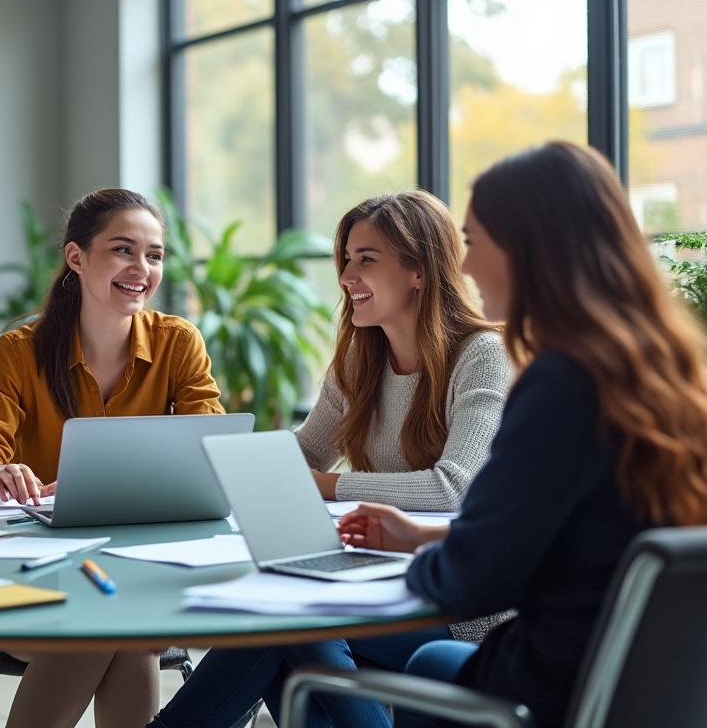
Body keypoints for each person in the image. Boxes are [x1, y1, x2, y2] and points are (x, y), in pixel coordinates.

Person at [336, 142, 707, 727]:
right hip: (659, 692)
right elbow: (576, 540)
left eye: (475, 243)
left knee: (424, 661)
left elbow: (470, 580)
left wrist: (411, 562)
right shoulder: (677, 380)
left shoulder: (560, 382)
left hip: (555, 693)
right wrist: (423, 537)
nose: (467, 267)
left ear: (531, 247)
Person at [147, 191, 512, 728]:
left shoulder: (482, 355)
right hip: (376, 581)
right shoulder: (360, 359)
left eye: (366, 259)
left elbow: (455, 489)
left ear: (419, 269)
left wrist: (327, 487)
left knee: (292, 624)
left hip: (459, 608)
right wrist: (219, 460)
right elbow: (305, 450)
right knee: (282, 632)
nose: (346, 275)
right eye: (345, 259)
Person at [0, 188, 224, 728]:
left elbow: (210, 446)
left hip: (140, 567)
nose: (141, 268)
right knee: (117, 629)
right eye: (123, 250)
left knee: (117, 625)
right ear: (77, 258)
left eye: (155, 254)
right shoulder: (21, 350)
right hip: (33, 570)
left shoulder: (178, 344)